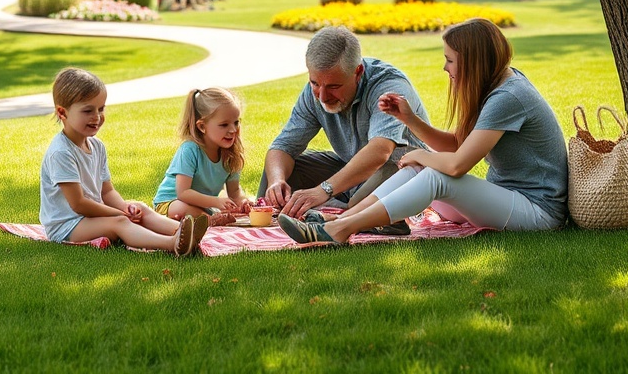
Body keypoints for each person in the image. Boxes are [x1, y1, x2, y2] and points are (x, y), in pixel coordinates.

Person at [278, 18, 569, 244]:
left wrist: (419, 153)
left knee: (434, 174)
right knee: (420, 170)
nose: (445, 67)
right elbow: (456, 144)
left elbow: (456, 165)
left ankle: (340, 230)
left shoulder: (509, 96)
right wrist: (410, 119)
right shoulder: (497, 86)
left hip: (537, 212)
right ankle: (338, 221)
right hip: (505, 198)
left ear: (473, 62)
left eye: (450, 59)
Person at [259, 25, 430, 232]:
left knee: (367, 192)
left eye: (333, 87)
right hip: (353, 172)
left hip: (404, 171)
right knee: (283, 172)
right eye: (314, 83)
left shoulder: (388, 86)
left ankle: (352, 218)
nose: (322, 96)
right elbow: (283, 146)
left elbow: (380, 151)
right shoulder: (317, 91)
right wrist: (276, 182)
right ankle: (272, 222)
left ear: (358, 72)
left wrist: (324, 190)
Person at [40, 67, 208, 255]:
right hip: (67, 226)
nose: (97, 117)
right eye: (88, 110)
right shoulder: (61, 152)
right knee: (120, 222)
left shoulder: (97, 146)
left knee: (139, 208)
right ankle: (173, 244)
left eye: (101, 109)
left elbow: (107, 191)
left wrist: (124, 207)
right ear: (62, 113)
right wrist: (119, 214)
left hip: (89, 217)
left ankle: (183, 232)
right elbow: (78, 204)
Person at [153, 87, 253, 227]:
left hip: (202, 207)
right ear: (202, 127)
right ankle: (208, 221)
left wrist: (243, 202)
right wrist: (215, 201)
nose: (232, 130)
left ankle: (204, 221)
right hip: (170, 203)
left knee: (210, 213)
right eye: (224, 125)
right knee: (182, 209)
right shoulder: (190, 150)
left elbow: (234, 192)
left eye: (236, 122)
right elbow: (183, 193)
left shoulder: (231, 155)